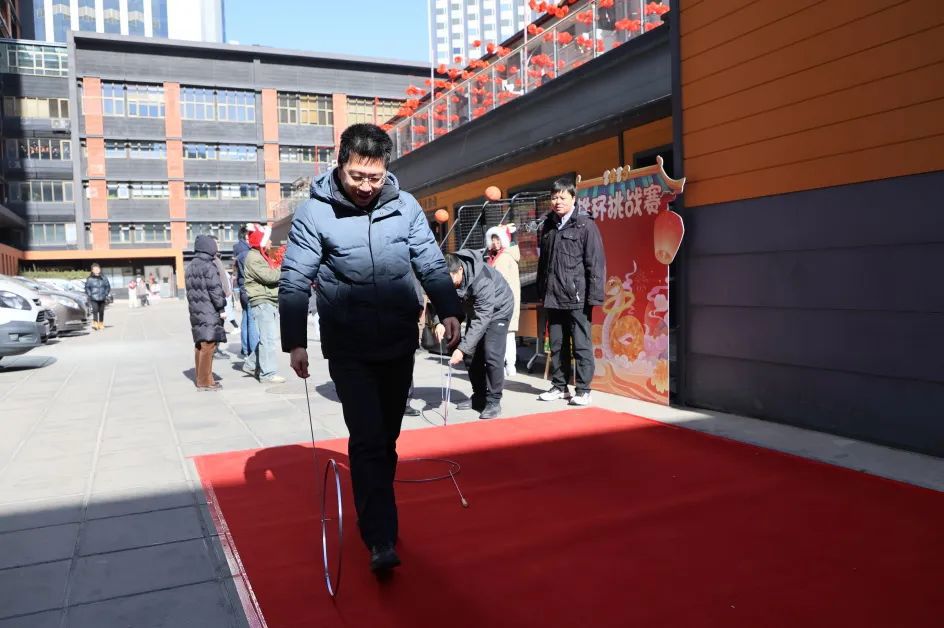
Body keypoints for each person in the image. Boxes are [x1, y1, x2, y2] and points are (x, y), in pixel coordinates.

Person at [279, 123, 462, 574]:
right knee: (367, 438)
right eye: (357, 176)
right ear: (340, 164)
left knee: (387, 438)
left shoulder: (405, 206)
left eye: (374, 177)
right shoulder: (315, 213)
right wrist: (295, 341)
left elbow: (429, 261)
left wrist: (449, 309)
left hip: (397, 340)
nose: (365, 186)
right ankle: (380, 537)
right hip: (350, 345)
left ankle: (376, 507)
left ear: (386, 170)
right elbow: (296, 278)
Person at [535, 177, 605, 406]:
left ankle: (583, 390)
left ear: (573, 199)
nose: (557, 202)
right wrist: (541, 292)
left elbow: (595, 263)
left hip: (577, 297)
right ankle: (559, 386)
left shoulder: (585, 225)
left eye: (562, 197)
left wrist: (594, 297)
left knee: (581, 344)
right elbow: (543, 264)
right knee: (557, 344)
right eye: (554, 197)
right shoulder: (548, 225)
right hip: (553, 296)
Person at [438, 250, 514, 419]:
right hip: (476, 311)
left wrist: (461, 349)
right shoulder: (451, 278)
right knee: (471, 355)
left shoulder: (482, 279)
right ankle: (479, 396)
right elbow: (444, 300)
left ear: (460, 270)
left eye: (450, 278)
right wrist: (440, 321)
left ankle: (494, 401)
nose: (448, 283)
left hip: (499, 310)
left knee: (491, 354)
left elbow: (483, 318)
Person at [242, 225, 285, 384]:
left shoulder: (260, 255)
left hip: (267, 300)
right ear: (261, 242)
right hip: (262, 301)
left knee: (268, 338)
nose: (271, 243)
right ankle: (268, 374)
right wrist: (283, 267)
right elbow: (270, 277)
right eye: (268, 240)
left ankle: (250, 364)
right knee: (269, 339)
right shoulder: (254, 258)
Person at [185, 235, 227, 391]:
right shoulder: (208, 265)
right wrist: (222, 308)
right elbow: (215, 290)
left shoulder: (191, 266)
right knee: (208, 346)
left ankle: (202, 378)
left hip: (197, 311)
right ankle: (205, 382)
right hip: (209, 310)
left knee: (200, 345)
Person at [485, 224, 521, 377]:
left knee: (505, 335)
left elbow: (498, 281)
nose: (495, 243)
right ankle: (508, 365)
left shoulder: (504, 257)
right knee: (507, 334)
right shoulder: (496, 256)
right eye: (493, 239)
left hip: (503, 303)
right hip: (504, 302)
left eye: (498, 239)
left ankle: (508, 365)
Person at [233, 225, 260, 360]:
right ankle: (253, 353)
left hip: (243, 288)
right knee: (252, 321)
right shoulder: (246, 252)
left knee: (246, 318)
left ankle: (245, 349)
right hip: (250, 289)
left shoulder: (239, 249)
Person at [84, 263, 111, 331]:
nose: (97, 270)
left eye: (98, 269)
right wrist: (90, 294)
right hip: (94, 298)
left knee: (101, 311)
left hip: (102, 297)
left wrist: (105, 294)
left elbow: (108, 287)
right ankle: (95, 323)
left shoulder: (104, 278)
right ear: (92, 270)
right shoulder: (90, 279)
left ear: (100, 269)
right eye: (95, 269)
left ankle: (101, 323)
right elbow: (87, 287)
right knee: (95, 310)